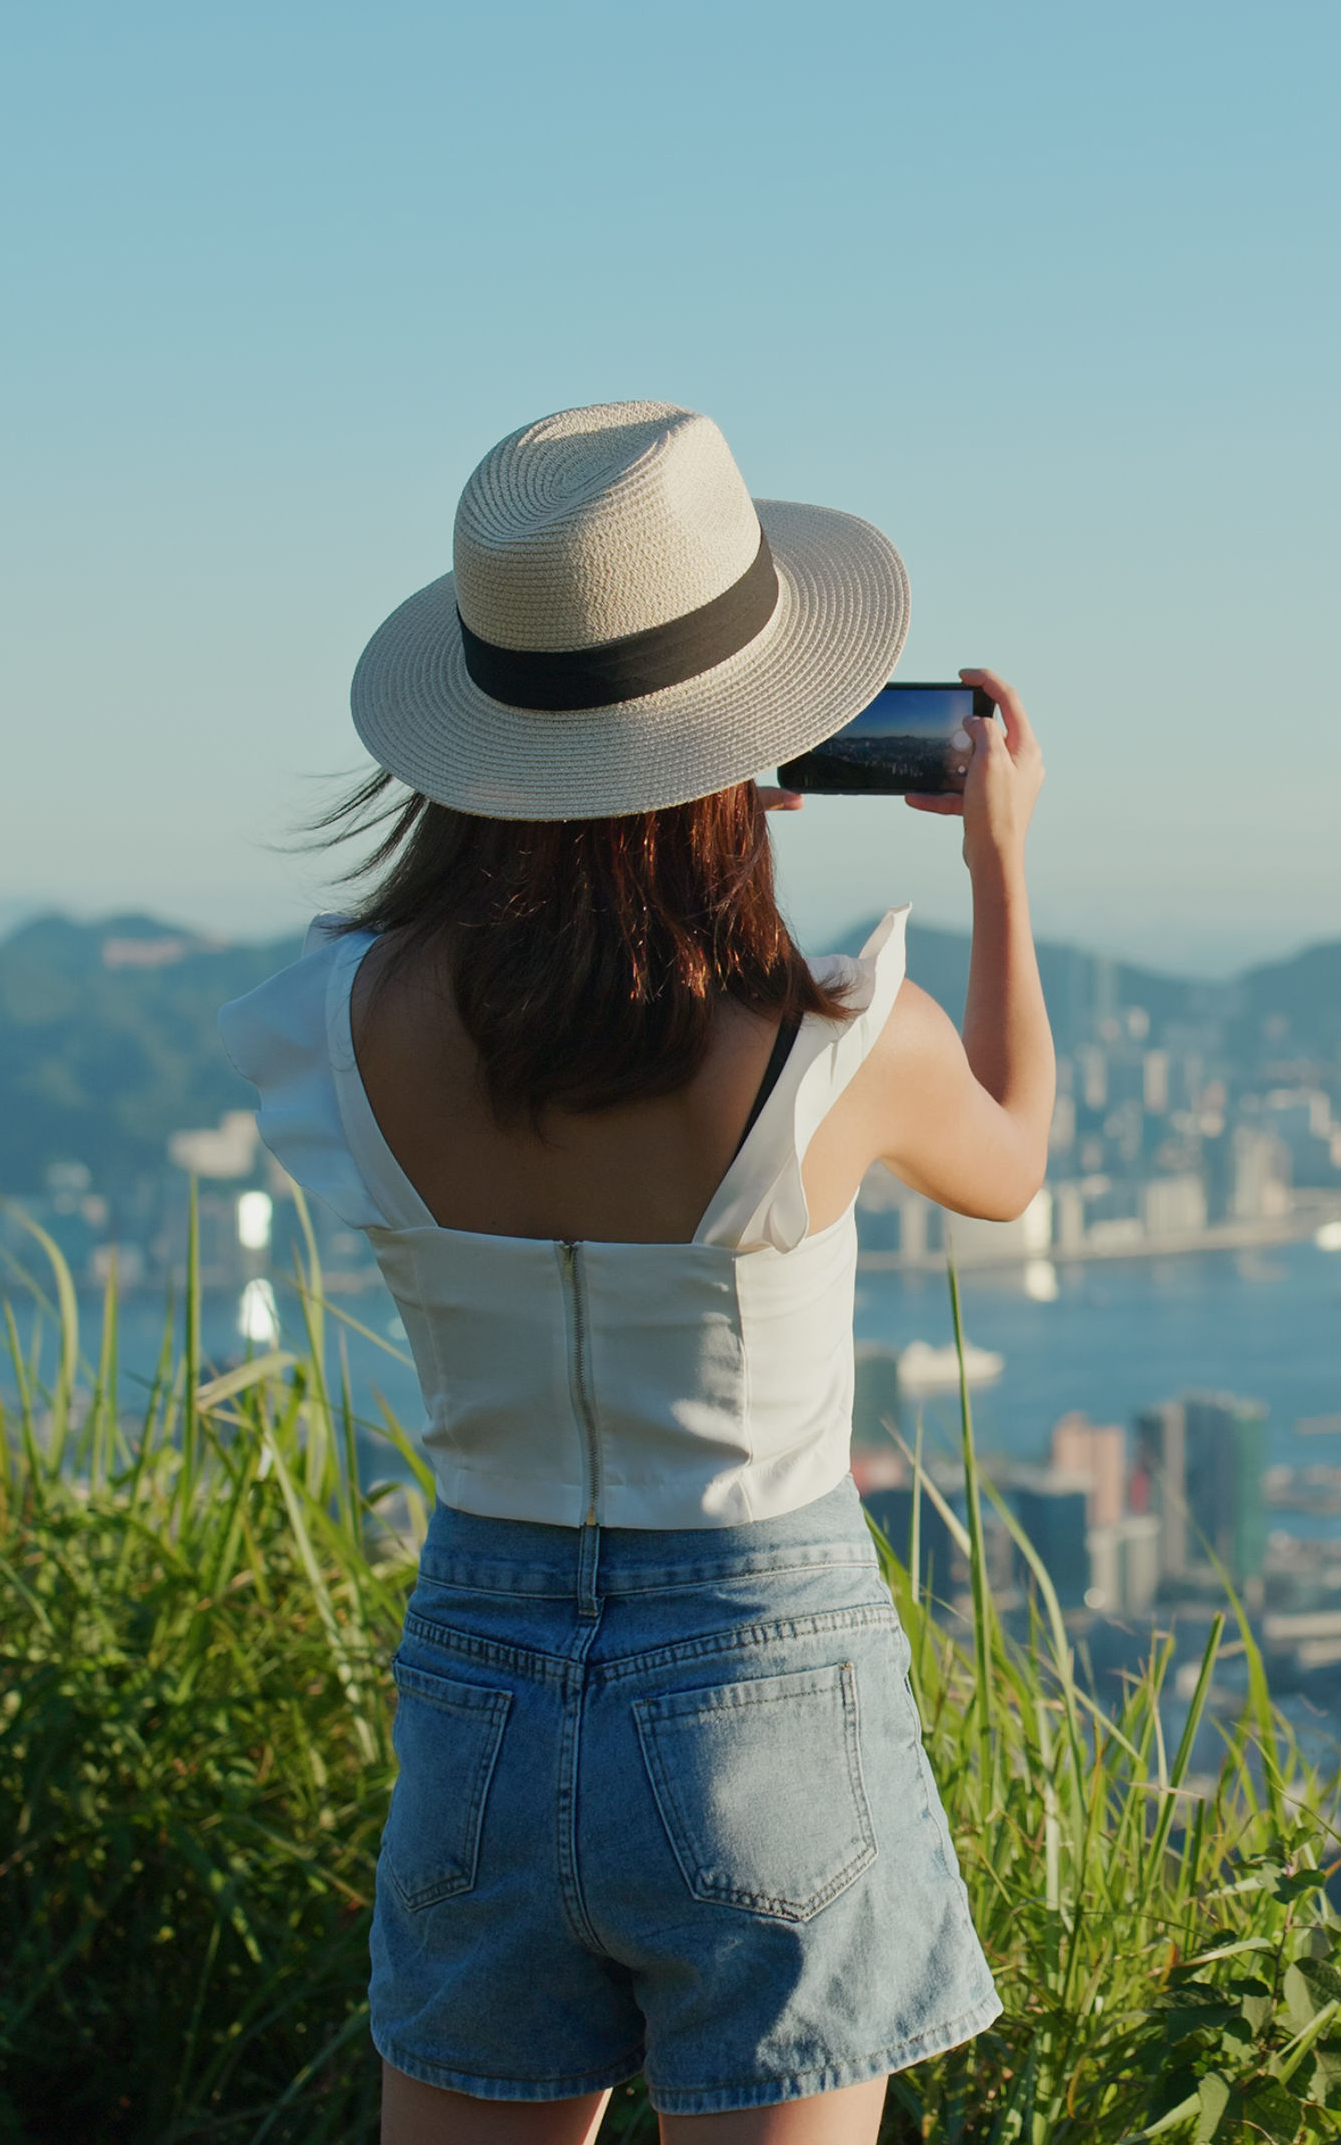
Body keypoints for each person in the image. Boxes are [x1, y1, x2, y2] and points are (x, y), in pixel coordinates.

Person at [221, 401, 1047, 2143]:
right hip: (763, 1663)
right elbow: (1013, 1161)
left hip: (482, 1679)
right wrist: (1000, 860)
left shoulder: (342, 1021)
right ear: (756, 743)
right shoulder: (833, 1045)